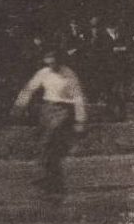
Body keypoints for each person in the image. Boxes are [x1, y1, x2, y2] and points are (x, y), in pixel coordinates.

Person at [12, 49, 88, 192]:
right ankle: (51, 178)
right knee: (46, 146)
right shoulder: (43, 73)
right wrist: (19, 106)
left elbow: (78, 98)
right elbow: (29, 88)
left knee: (50, 141)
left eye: (54, 62)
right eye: (49, 62)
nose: (52, 65)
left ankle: (51, 179)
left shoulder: (69, 74)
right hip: (47, 110)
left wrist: (80, 120)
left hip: (64, 110)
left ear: (59, 60)